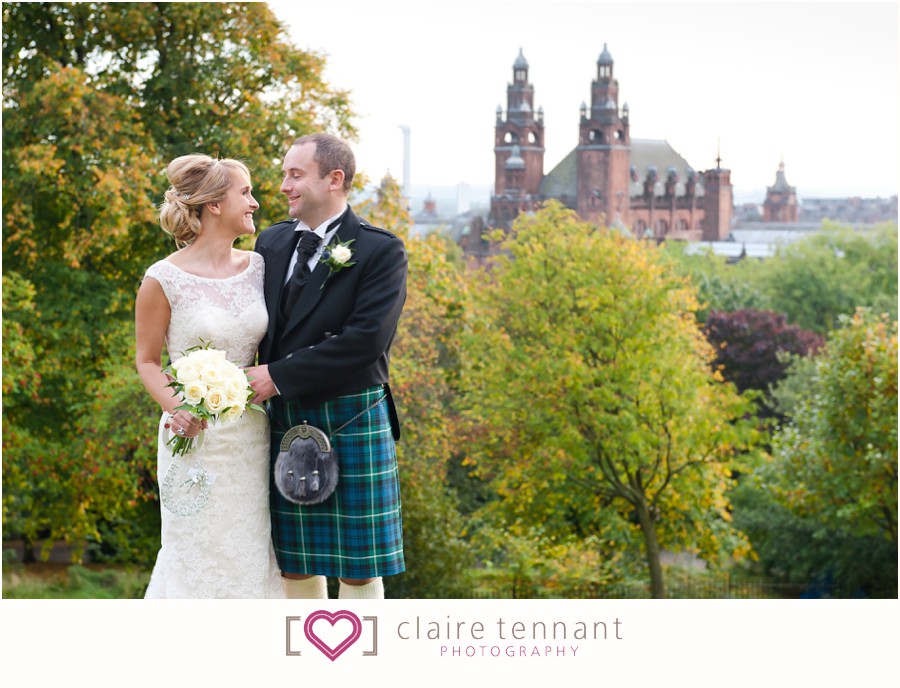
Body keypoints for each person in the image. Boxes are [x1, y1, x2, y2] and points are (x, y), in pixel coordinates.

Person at [246, 133, 407, 599]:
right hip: (287, 416)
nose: (283, 186)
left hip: (350, 416)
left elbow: (365, 341)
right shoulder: (272, 241)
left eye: (295, 174)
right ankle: (307, 667)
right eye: (284, 174)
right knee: (293, 564)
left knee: (358, 566)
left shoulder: (380, 251)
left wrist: (276, 375)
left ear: (334, 179)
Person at [135, 154, 285, 598]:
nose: (255, 203)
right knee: (194, 551)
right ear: (214, 205)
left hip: (250, 437)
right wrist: (176, 407)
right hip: (192, 437)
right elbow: (146, 361)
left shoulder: (259, 269)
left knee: (250, 550)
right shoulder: (162, 279)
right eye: (245, 192)